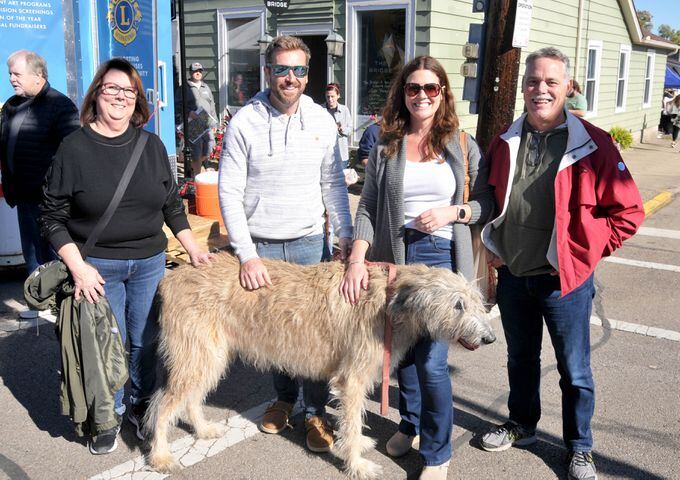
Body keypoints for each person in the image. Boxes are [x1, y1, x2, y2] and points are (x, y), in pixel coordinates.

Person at [479, 47, 644, 480]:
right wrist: (491, 247)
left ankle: (580, 447)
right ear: (523, 87)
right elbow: (490, 201)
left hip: (565, 283)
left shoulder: (594, 144)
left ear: (568, 87)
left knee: (575, 371)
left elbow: (628, 214)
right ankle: (523, 425)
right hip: (514, 274)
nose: (541, 90)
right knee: (520, 359)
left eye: (551, 82)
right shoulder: (505, 141)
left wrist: (585, 252)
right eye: (533, 81)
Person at [40, 58, 213, 455]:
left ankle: (141, 405)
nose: (120, 97)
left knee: (146, 342)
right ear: (96, 94)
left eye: (128, 91)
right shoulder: (74, 148)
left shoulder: (151, 145)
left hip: (150, 262)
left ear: (138, 101)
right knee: (106, 345)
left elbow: (171, 205)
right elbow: (51, 217)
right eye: (112, 88)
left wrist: (194, 248)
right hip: (96, 266)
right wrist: (78, 267)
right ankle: (108, 414)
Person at [340, 55, 494, 480]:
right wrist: (357, 258)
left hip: (444, 260)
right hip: (396, 262)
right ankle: (409, 424)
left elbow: (486, 204)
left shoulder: (461, 144)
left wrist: (452, 213)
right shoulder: (387, 143)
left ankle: (438, 453)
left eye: (431, 88)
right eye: (413, 88)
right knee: (402, 356)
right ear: (403, 94)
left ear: (442, 92)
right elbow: (368, 207)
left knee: (431, 363)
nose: (422, 95)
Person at [218, 35, 353, 454]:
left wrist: (344, 236)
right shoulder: (245, 122)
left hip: (310, 243)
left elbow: (333, 183)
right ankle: (283, 399)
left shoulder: (321, 121)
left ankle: (315, 411)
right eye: (281, 69)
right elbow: (228, 191)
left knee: (315, 336)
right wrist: (247, 253)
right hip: (262, 247)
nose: (289, 78)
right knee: (274, 335)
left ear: (307, 76)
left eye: (297, 70)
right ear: (268, 72)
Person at [0, 50, 80, 319]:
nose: (11, 78)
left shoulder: (60, 106)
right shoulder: (12, 105)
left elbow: (72, 153)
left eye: (16, 74)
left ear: (38, 75)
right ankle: (38, 302)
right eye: (10, 73)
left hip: (50, 198)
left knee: (56, 251)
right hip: (23, 195)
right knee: (32, 250)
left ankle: (63, 303)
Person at [185, 62, 217, 176]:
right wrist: (188, 113)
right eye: (195, 71)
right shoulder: (185, 87)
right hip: (193, 123)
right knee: (196, 151)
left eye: (200, 71)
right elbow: (177, 105)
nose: (198, 73)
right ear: (190, 72)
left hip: (206, 122)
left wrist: (214, 123)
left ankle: (195, 165)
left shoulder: (206, 87)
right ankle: (197, 177)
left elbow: (212, 104)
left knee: (210, 145)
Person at [322, 83, 353, 168]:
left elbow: (350, 129)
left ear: (338, 96)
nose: (330, 99)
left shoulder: (344, 110)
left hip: (341, 152)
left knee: (341, 179)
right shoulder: (320, 110)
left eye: (332, 96)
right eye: (328, 96)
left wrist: (343, 130)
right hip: (324, 153)